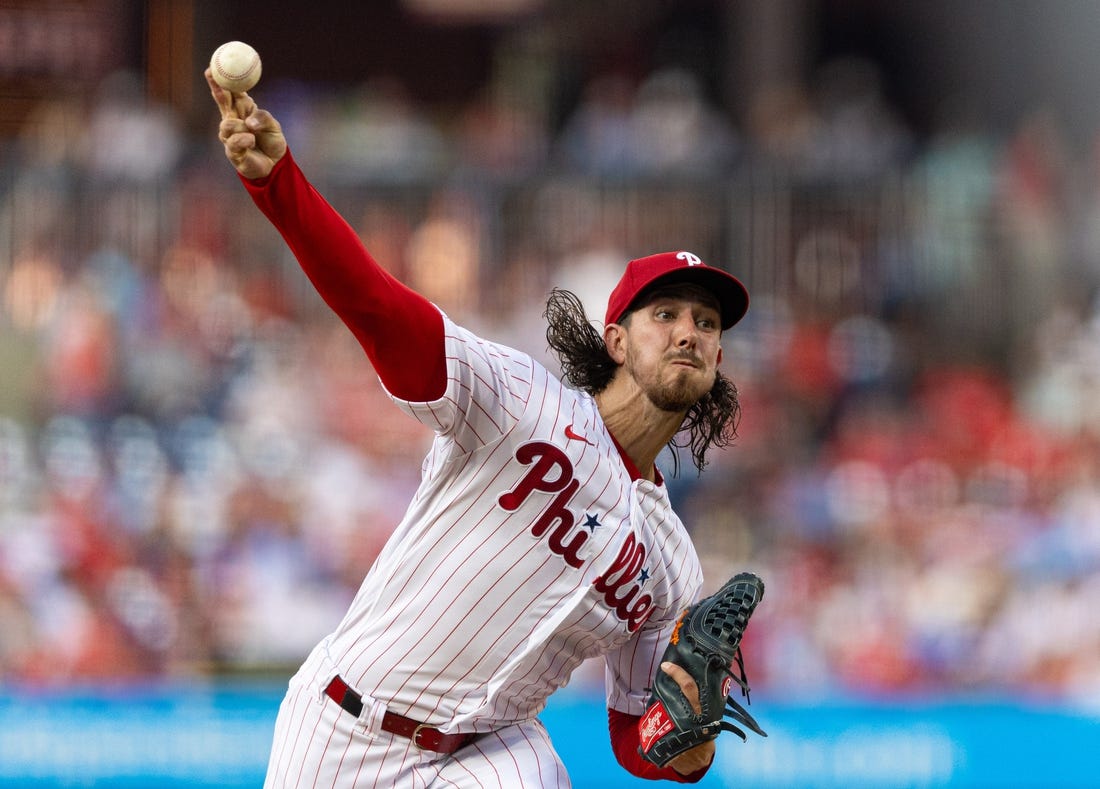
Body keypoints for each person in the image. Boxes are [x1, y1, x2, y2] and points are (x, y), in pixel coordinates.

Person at [207, 67, 753, 788]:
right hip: (345, 724)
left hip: (486, 750)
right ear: (616, 340)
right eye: (667, 315)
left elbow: (639, 737)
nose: (689, 331)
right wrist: (278, 185)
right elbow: (377, 308)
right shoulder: (523, 401)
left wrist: (694, 728)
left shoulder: (671, 563)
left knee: (538, 774)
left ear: (716, 358)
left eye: (706, 324)